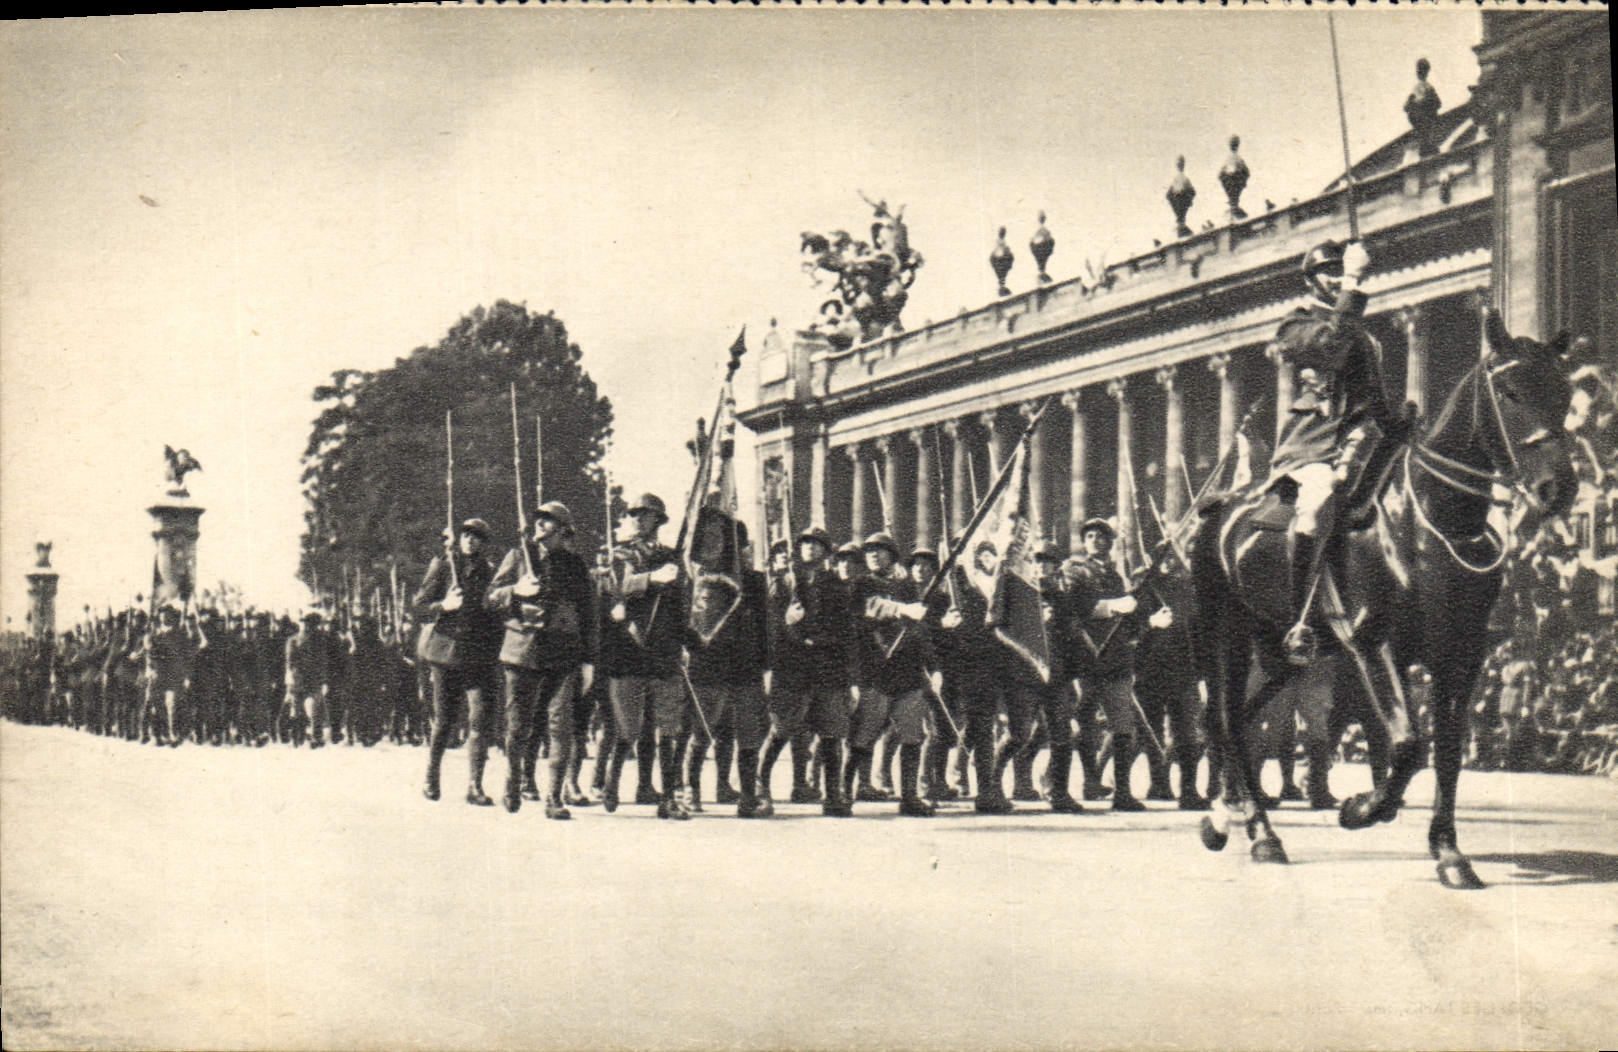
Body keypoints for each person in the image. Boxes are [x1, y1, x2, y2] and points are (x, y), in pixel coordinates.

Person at [1268, 240, 1400, 661]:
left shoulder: (1359, 330)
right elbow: (1329, 347)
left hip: (1363, 440)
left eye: (1338, 269)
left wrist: (1400, 427)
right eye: (1328, 271)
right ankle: (1301, 616)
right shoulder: (1295, 325)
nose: (1334, 277)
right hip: (1314, 447)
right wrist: (1354, 280)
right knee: (1320, 500)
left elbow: (1369, 398)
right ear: (1310, 279)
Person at [487, 501, 596, 819]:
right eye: (539, 520)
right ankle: (513, 781)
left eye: (548, 521)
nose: (540, 525)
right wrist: (515, 590)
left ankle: (554, 798)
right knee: (519, 726)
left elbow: (589, 615)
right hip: (522, 652)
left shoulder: (576, 566)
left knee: (560, 726)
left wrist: (589, 660)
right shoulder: (519, 556)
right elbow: (490, 597)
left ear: (563, 532)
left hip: (563, 655)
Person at [597, 493, 692, 819]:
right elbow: (615, 586)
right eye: (635, 514)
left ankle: (668, 798)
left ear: (657, 521)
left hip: (663, 651)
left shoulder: (671, 556)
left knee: (668, 726)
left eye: (646, 514)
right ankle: (611, 783)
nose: (639, 519)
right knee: (629, 726)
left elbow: (680, 605)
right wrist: (652, 578)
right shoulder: (619, 554)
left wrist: (687, 642)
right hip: (628, 650)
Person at [761, 527, 854, 817]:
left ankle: (833, 794)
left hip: (827, 667)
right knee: (783, 729)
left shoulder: (837, 587)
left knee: (831, 732)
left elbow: (846, 631)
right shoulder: (784, 583)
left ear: (827, 552)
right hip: (793, 667)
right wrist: (787, 622)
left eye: (817, 545)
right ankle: (759, 787)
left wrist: (849, 675)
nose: (810, 548)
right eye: (805, 544)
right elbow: (768, 628)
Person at [684, 518, 773, 817]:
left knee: (748, 734)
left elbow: (764, 628)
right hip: (708, 667)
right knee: (703, 733)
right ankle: (691, 791)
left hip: (745, 668)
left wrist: (766, 667)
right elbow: (691, 622)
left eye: (736, 544)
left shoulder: (755, 581)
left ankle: (747, 796)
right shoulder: (701, 579)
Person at [846, 532, 937, 816]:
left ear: (893, 556)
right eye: (870, 551)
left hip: (907, 671)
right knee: (865, 732)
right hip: (875, 669)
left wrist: (931, 666)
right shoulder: (861, 584)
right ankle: (843, 791)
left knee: (912, 734)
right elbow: (871, 607)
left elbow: (920, 628)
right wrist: (901, 609)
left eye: (881, 551)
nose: (874, 555)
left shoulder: (907, 586)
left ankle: (909, 796)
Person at [1065, 519, 1149, 812]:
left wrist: (1134, 612)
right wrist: (1112, 606)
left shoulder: (1116, 576)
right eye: (1090, 536)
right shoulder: (1075, 571)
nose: (1096, 541)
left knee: (1122, 726)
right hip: (1088, 658)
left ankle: (1122, 791)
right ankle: (1090, 781)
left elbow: (1131, 618)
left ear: (1111, 542)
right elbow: (1076, 609)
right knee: (1086, 725)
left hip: (1116, 660)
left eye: (1102, 537)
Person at [414, 518, 500, 805]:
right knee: (444, 721)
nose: (470, 540)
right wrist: (443, 606)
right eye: (466, 535)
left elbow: (496, 614)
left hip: (479, 656)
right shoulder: (443, 566)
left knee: (479, 721)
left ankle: (475, 786)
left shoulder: (491, 573)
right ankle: (431, 777)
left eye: (477, 536)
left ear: (485, 544)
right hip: (446, 655)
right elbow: (418, 607)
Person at [284, 610, 333, 749]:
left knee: (312, 709)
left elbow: (323, 661)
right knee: (302, 709)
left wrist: (323, 680)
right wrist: (289, 678)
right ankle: (300, 737)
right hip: (301, 680)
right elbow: (290, 662)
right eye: (305, 623)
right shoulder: (294, 640)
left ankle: (311, 737)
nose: (307, 627)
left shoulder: (319, 640)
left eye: (310, 624)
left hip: (309, 680)